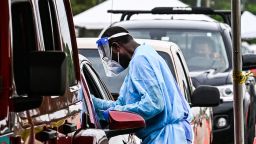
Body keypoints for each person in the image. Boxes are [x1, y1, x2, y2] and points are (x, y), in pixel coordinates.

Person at [93, 26, 193, 144]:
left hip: (166, 137)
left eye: (109, 56)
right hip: (164, 135)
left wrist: (113, 113)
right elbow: (123, 104)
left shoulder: (141, 59)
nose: (110, 62)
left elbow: (154, 104)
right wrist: (95, 103)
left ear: (116, 47)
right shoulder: (145, 54)